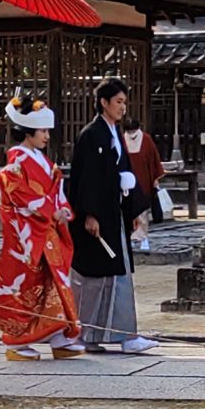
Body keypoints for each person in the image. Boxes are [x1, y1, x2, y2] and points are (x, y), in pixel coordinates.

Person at [65, 77, 158, 355]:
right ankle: (87, 334)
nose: (122, 107)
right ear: (103, 102)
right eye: (118, 101)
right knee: (93, 279)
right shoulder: (92, 134)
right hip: (96, 217)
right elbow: (86, 178)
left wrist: (131, 212)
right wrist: (89, 214)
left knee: (119, 275)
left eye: (124, 102)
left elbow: (121, 170)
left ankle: (124, 335)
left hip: (113, 213)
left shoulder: (113, 133)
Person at [0, 93, 82, 358]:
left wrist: (62, 209)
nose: (46, 136)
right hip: (27, 236)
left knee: (54, 284)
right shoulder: (15, 164)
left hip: (46, 230)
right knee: (26, 285)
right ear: (28, 132)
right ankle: (15, 341)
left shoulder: (43, 161)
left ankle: (57, 335)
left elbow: (55, 190)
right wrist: (53, 212)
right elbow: (22, 197)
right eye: (42, 131)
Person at [121, 117, 165, 250]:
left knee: (142, 211)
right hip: (127, 183)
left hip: (144, 180)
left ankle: (143, 237)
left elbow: (154, 158)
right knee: (127, 211)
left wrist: (155, 178)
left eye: (133, 130)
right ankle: (130, 237)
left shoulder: (146, 139)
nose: (131, 133)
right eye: (129, 131)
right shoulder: (122, 140)